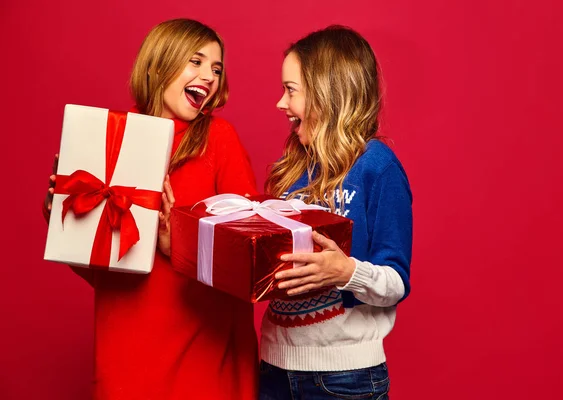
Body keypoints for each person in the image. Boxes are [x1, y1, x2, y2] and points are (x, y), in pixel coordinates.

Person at [43, 19, 258, 399]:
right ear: (159, 65)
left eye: (217, 68)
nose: (209, 76)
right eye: (196, 61)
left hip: (203, 348)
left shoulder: (219, 139)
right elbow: (106, 272)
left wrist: (178, 247)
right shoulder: (111, 139)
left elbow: (248, 258)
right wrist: (67, 224)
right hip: (125, 345)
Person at [259, 26, 413, 399]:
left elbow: (396, 282)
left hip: (344, 378)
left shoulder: (378, 167)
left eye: (291, 90)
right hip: (275, 368)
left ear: (327, 95)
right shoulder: (291, 166)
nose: (281, 103)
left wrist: (345, 271)